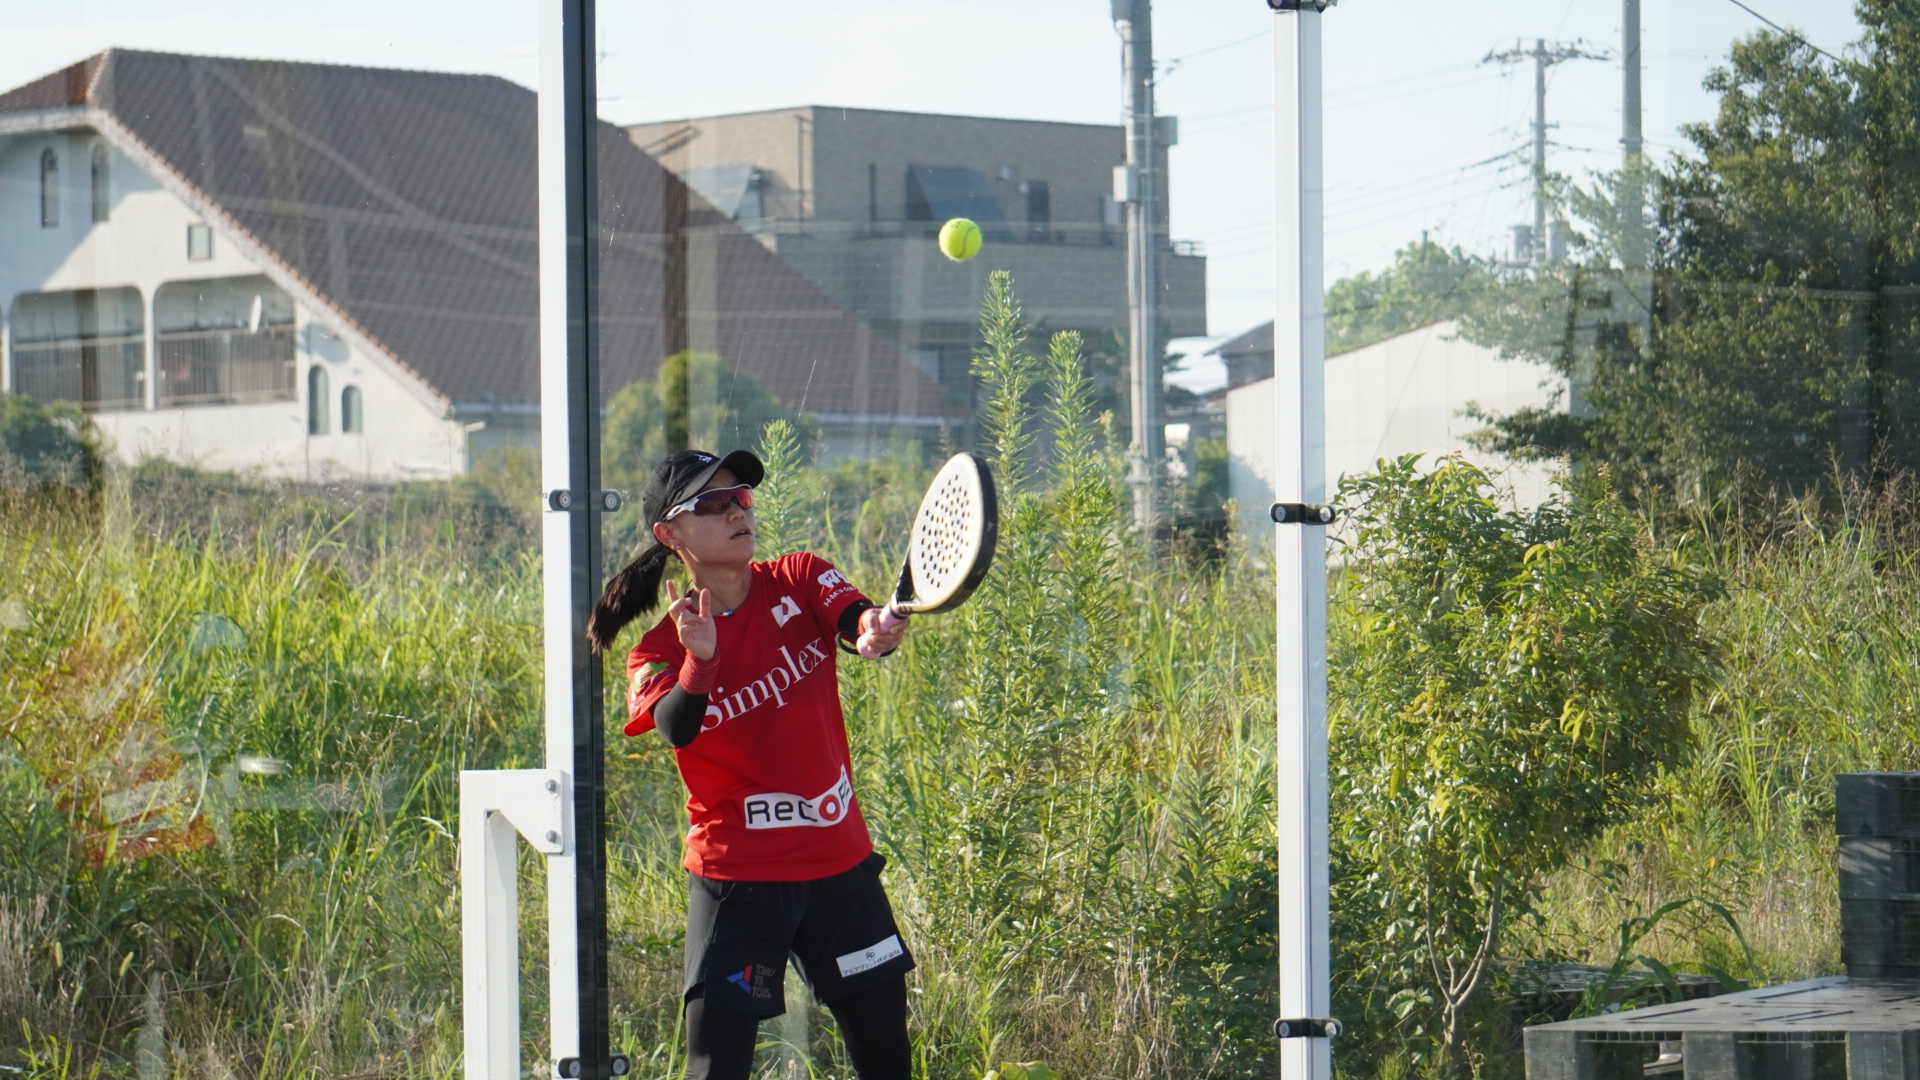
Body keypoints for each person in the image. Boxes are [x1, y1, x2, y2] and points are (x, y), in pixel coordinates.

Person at [587, 448, 914, 1080]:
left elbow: (856, 622)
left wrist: (875, 629)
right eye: (712, 504)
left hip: (839, 869)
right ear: (669, 534)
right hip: (738, 880)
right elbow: (679, 726)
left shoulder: (800, 576)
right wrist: (701, 661)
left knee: (888, 1061)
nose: (737, 511)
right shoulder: (657, 650)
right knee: (717, 1069)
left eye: (741, 498)